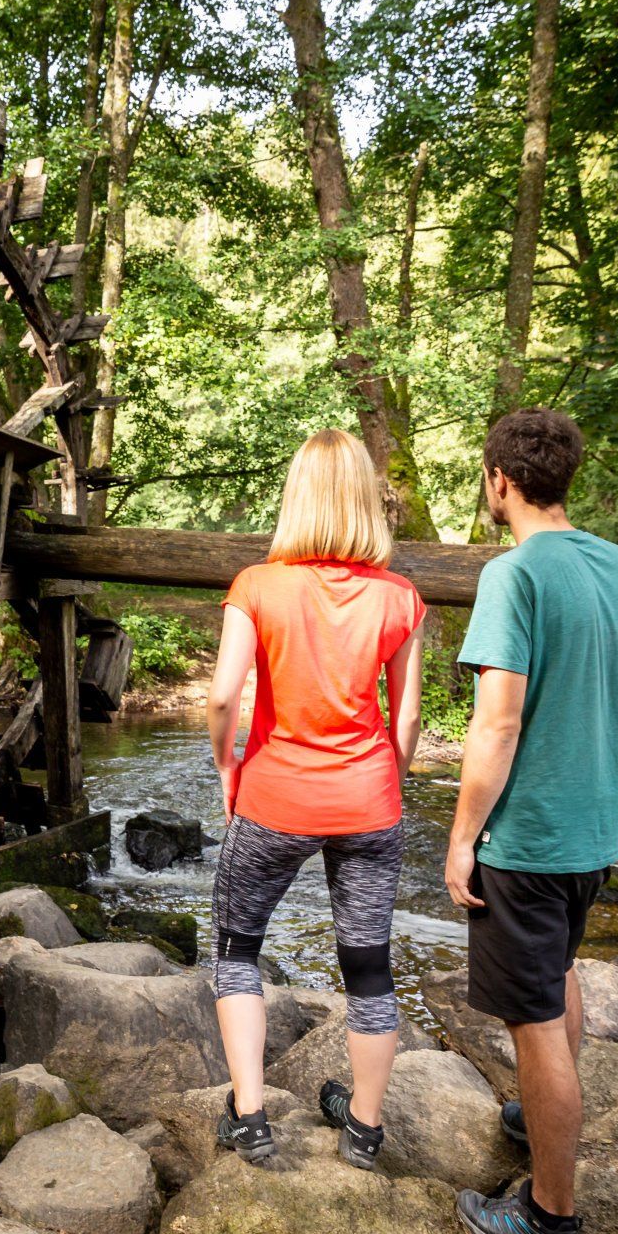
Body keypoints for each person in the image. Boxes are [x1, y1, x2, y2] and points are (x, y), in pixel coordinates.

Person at [445, 407, 618, 1234]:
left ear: (500, 480)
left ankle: (548, 1215)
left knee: (532, 1020)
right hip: (592, 828)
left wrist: (462, 838)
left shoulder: (514, 574)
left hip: (525, 839)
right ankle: (540, 1121)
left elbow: (498, 724)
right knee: (557, 974)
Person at [206, 427, 425, 1171]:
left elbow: (221, 697)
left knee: (237, 951)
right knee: (368, 966)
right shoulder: (400, 597)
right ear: (367, 501)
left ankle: (251, 1117)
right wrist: (383, 784)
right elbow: (408, 719)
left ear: (296, 497)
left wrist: (227, 770)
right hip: (370, 803)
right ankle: (363, 1130)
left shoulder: (257, 585)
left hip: (275, 797)